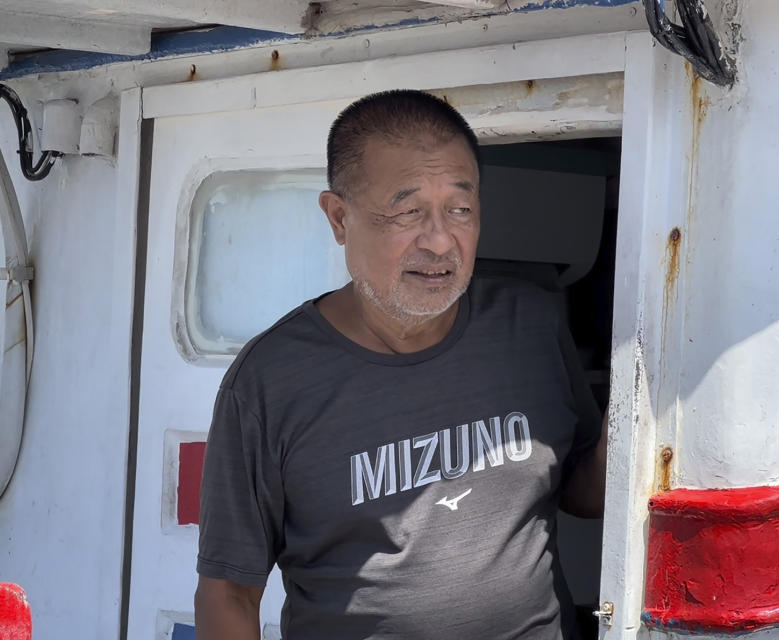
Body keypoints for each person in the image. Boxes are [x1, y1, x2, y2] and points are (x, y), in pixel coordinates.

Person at [194, 89, 607, 640]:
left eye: (460, 209)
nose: (440, 241)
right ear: (339, 218)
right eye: (408, 212)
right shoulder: (271, 381)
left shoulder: (529, 324)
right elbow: (229, 593)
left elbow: (582, 493)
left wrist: (642, 404)